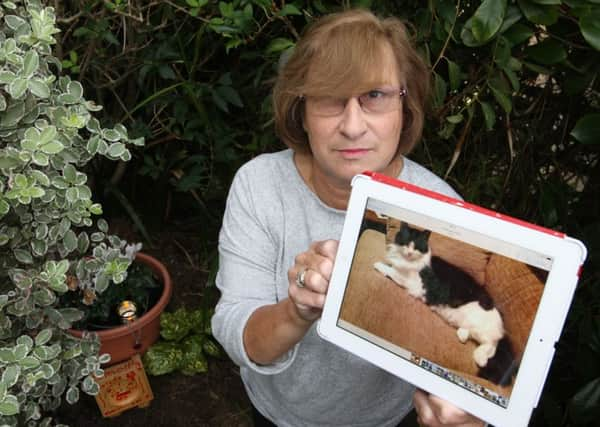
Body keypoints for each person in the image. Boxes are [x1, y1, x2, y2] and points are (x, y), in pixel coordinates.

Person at [212, 8, 485, 427]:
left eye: (374, 96)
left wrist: (470, 411)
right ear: (300, 109)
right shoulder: (260, 186)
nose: (353, 126)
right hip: (278, 414)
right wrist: (296, 310)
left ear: (405, 106)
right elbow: (237, 331)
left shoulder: (443, 212)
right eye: (329, 98)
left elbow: (468, 353)